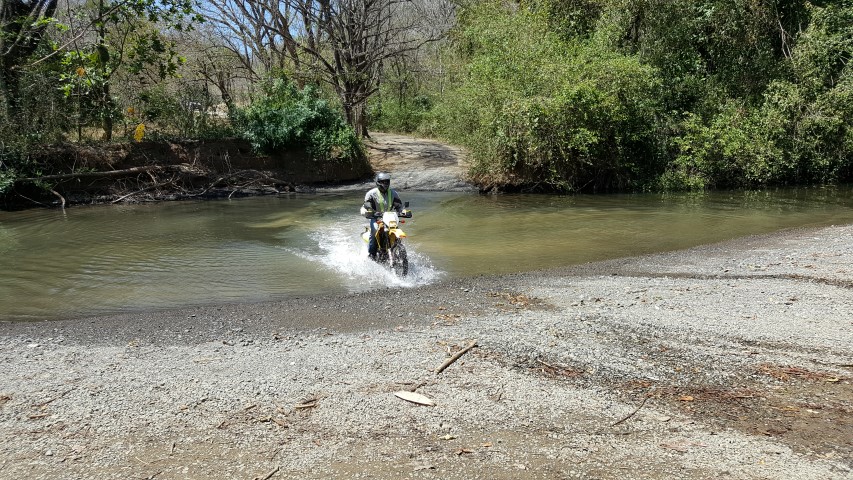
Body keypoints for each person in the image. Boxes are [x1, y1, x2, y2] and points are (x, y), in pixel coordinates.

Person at [361, 172, 403, 261]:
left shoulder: (393, 193)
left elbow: (399, 205)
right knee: (375, 231)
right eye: (383, 182)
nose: (385, 184)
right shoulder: (371, 193)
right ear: (378, 182)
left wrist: (402, 211)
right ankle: (372, 254)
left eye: (387, 181)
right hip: (376, 217)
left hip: (389, 217)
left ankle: (397, 248)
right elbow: (366, 204)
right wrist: (371, 212)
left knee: (397, 230)